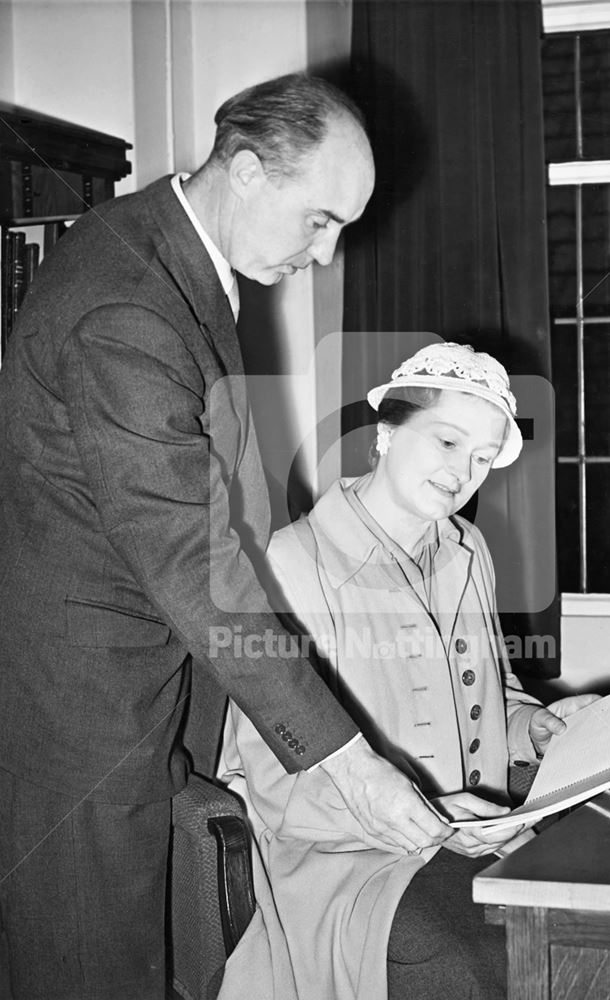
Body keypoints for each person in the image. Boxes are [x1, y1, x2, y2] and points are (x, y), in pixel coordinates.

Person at [0, 74, 452, 1000]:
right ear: (246, 171)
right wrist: (348, 763)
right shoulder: (126, 299)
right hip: (82, 721)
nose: (326, 256)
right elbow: (193, 557)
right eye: (319, 222)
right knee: (91, 973)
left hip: (149, 693)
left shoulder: (177, 261)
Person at [217, 342, 599, 1000]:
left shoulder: (466, 550)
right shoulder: (292, 562)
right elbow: (274, 781)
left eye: (482, 459)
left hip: (464, 832)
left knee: (592, 919)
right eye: (448, 442)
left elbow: (489, 699)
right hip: (342, 856)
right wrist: (423, 813)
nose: (464, 473)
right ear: (386, 435)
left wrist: (534, 727)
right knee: (478, 953)